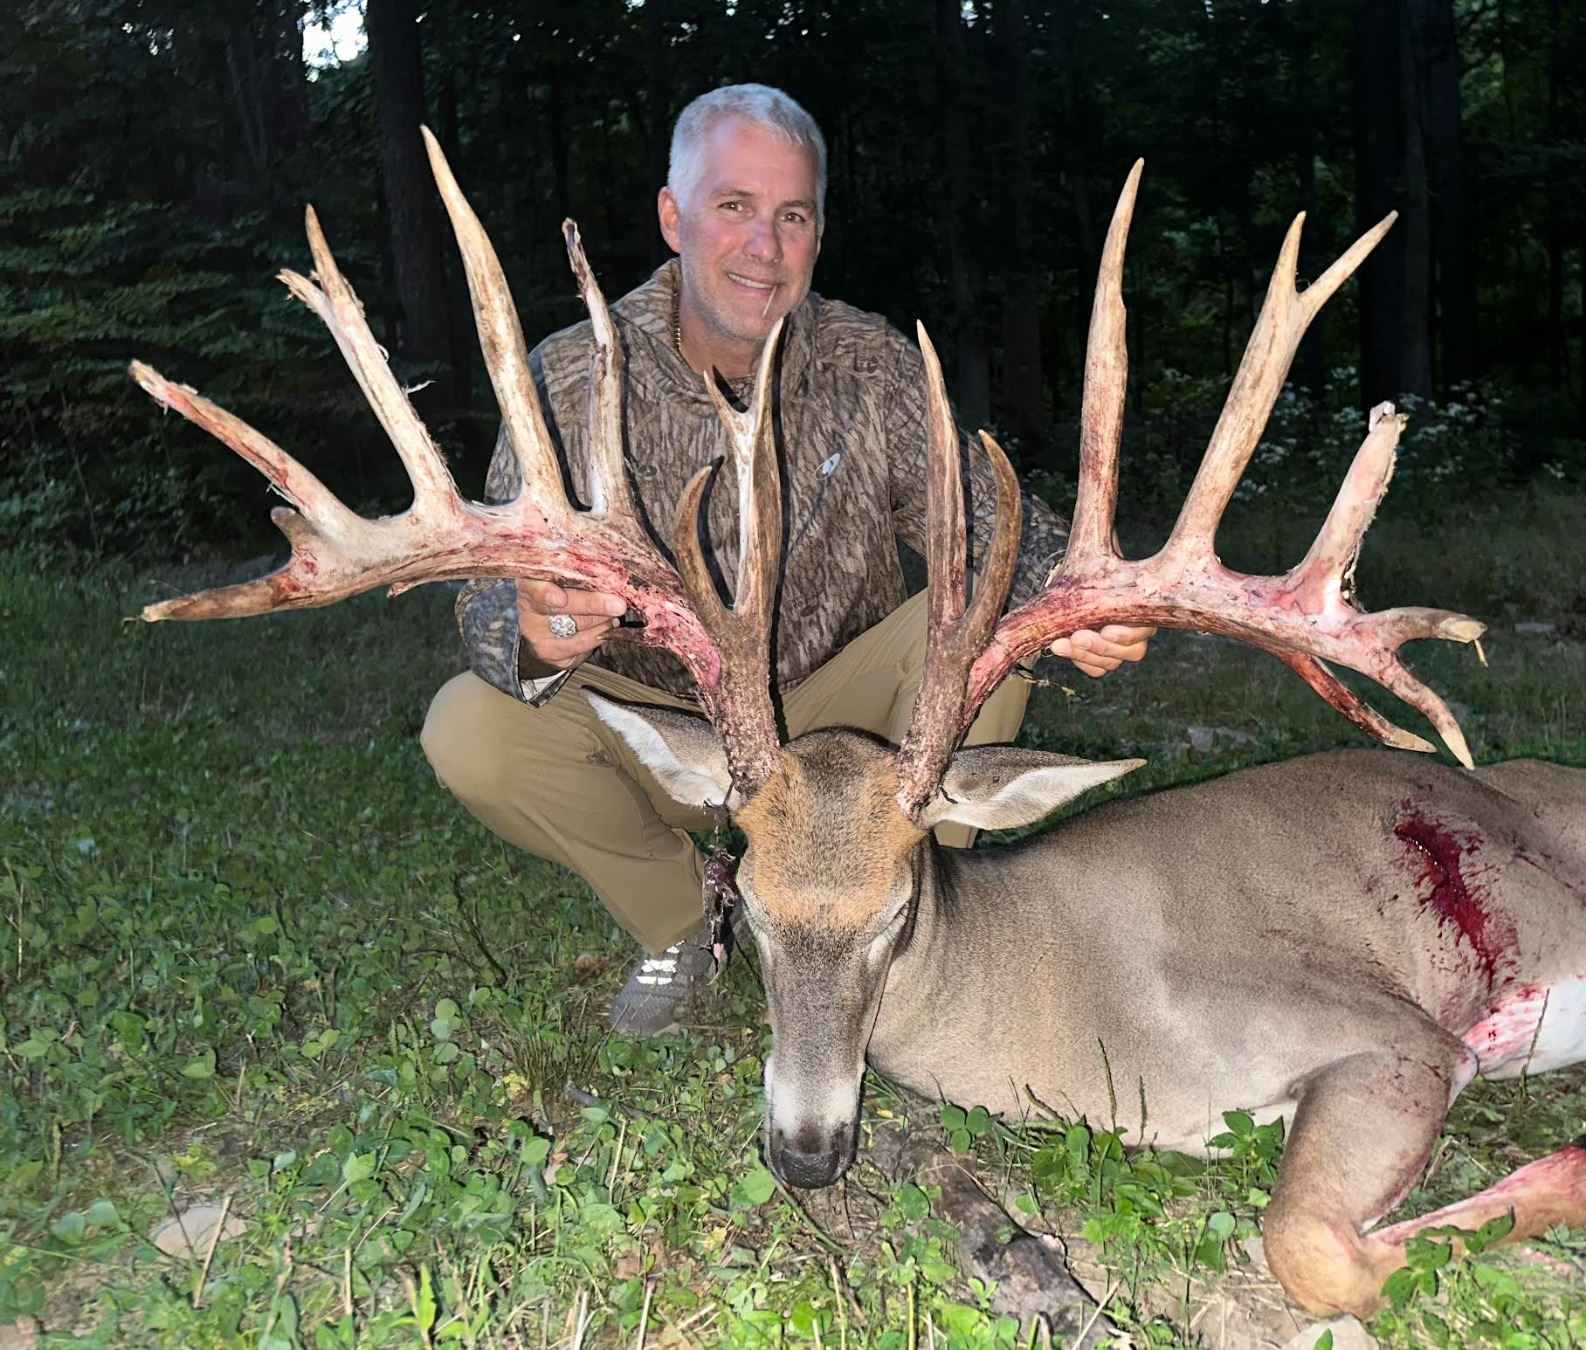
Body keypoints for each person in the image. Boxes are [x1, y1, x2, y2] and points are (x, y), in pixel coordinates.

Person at [420, 84, 1152, 1034]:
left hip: (846, 732)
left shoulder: (868, 364)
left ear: (817, 234)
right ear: (674, 217)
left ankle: (902, 926)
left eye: (793, 216)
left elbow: (996, 531)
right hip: (668, 733)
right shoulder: (569, 377)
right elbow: (487, 597)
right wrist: (531, 629)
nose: (764, 246)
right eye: (734, 206)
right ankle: (684, 918)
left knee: (988, 617)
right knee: (470, 729)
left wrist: (1078, 605)